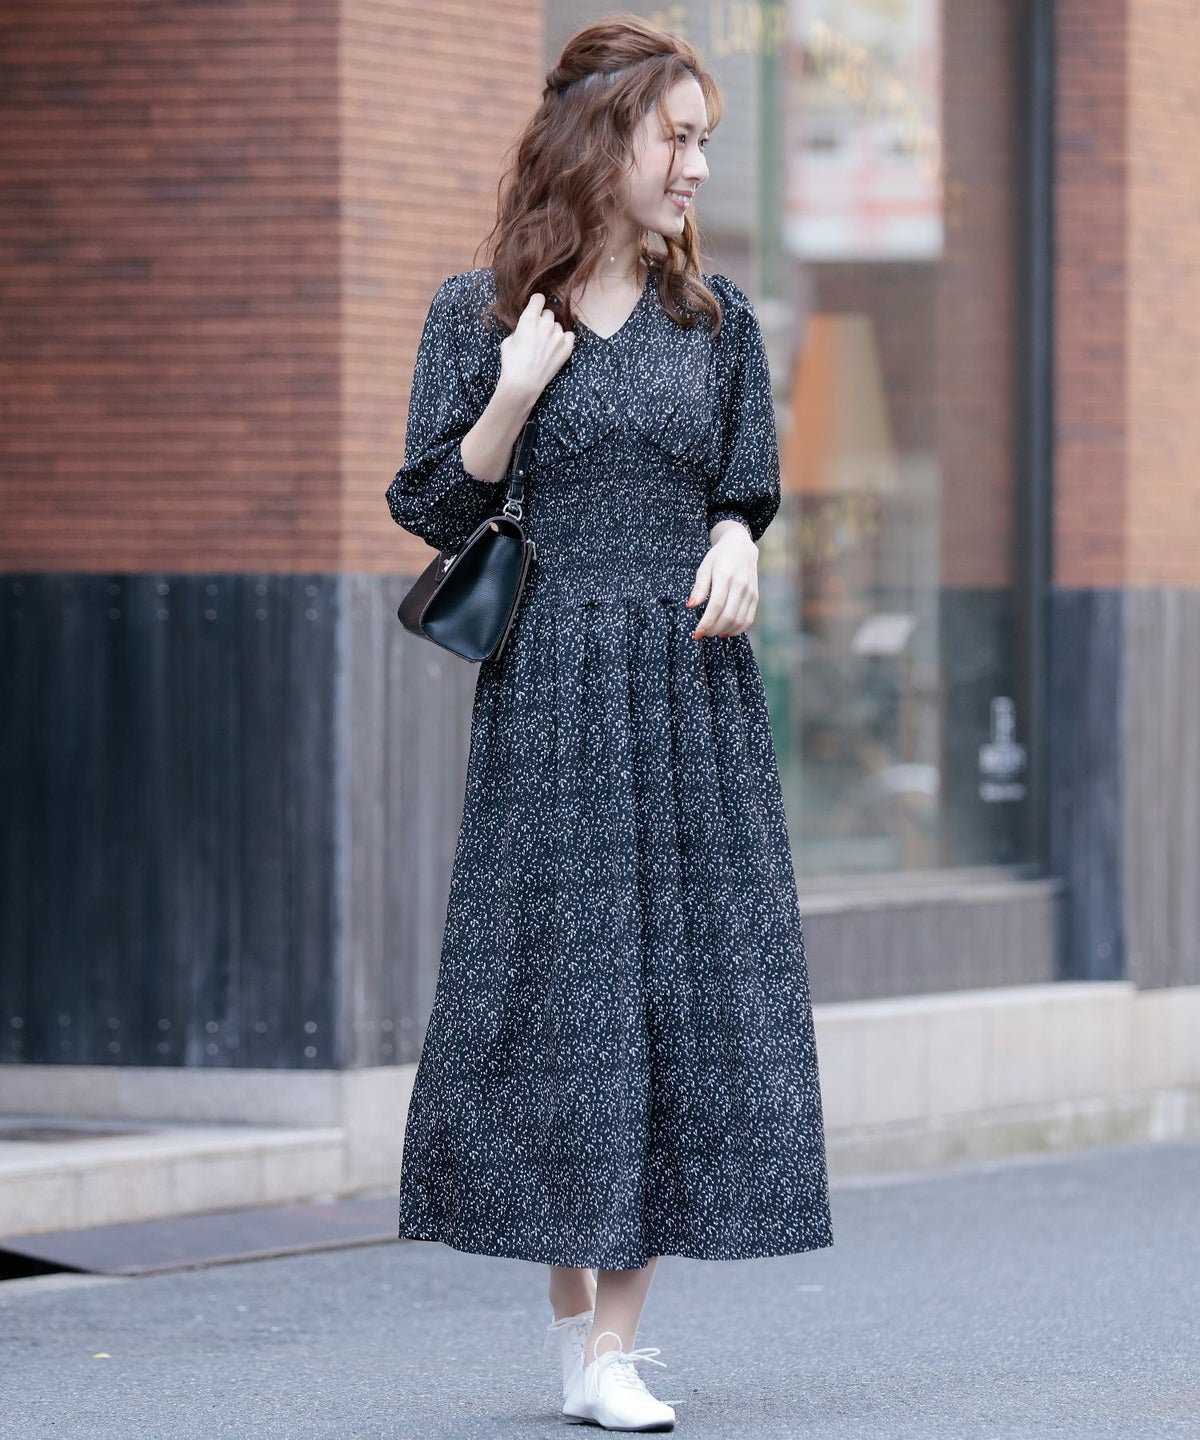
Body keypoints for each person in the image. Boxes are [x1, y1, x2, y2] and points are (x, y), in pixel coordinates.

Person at [385, 14, 834, 1432]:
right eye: (677, 138)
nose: (696, 166)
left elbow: (745, 485)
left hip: (689, 690)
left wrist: (738, 540)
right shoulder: (479, 314)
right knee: (565, 1002)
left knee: (670, 1003)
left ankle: (617, 1352)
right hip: (552, 694)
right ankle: (578, 1337)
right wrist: (513, 396)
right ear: (602, 141)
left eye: (705, 142)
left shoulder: (720, 322)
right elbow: (431, 503)